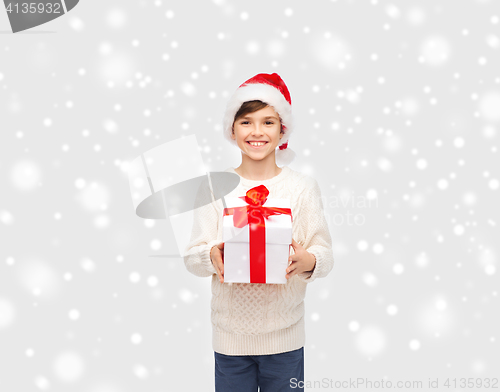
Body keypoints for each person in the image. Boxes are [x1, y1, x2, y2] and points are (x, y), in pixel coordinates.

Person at [183, 72, 334, 391]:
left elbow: (325, 255)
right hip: (231, 341)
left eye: (268, 122)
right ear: (232, 129)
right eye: (247, 121)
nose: (257, 132)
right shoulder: (213, 186)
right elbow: (192, 258)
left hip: (285, 340)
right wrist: (212, 255)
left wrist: (308, 262)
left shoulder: (302, 188)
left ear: (283, 130)